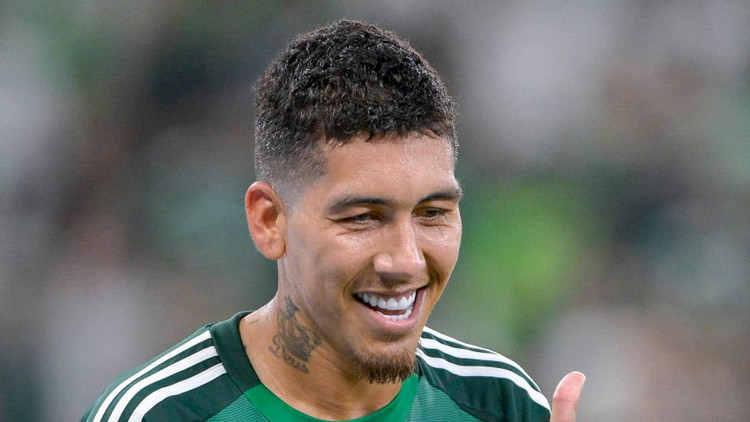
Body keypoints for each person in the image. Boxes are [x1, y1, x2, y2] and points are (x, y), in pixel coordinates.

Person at [81, 20, 584, 422]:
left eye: (432, 214)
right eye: (363, 218)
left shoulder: (500, 404)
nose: (406, 261)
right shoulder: (155, 414)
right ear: (270, 221)